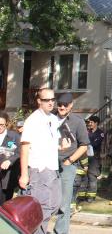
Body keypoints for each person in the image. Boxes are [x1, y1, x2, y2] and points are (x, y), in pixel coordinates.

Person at [19, 88, 69, 234]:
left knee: (55, 204)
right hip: (38, 170)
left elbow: (50, 144)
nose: (51, 103)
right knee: (42, 207)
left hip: (53, 169)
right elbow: (24, 148)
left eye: (53, 99)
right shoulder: (33, 120)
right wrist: (24, 174)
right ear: (39, 101)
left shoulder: (53, 119)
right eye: (47, 100)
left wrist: (61, 147)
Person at [54, 93, 89, 234]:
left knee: (64, 203)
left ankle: (61, 232)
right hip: (48, 164)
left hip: (66, 165)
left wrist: (70, 160)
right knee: (44, 200)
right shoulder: (49, 118)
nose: (62, 107)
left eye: (65, 105)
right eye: (60, 104)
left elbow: (84, 145)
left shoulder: (78, 121)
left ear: (71, 105)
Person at [0, 111, 20, 204]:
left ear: (6, 124)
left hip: (6, 178)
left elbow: (19, 152)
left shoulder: (14, 136)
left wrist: (9, 161)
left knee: (4, 205)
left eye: (1, 125)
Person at [85, 115, 105, 202]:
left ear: (96, 123)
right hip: (85, 157)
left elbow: (95, 144)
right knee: (84, 176)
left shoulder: (100, 133)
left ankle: (91, 196)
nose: (89, 124)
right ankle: (83, 195)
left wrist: (87, 143)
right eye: (88, 122)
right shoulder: (87, 132)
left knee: (92, 177)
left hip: (95, 158)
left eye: (91, 122)